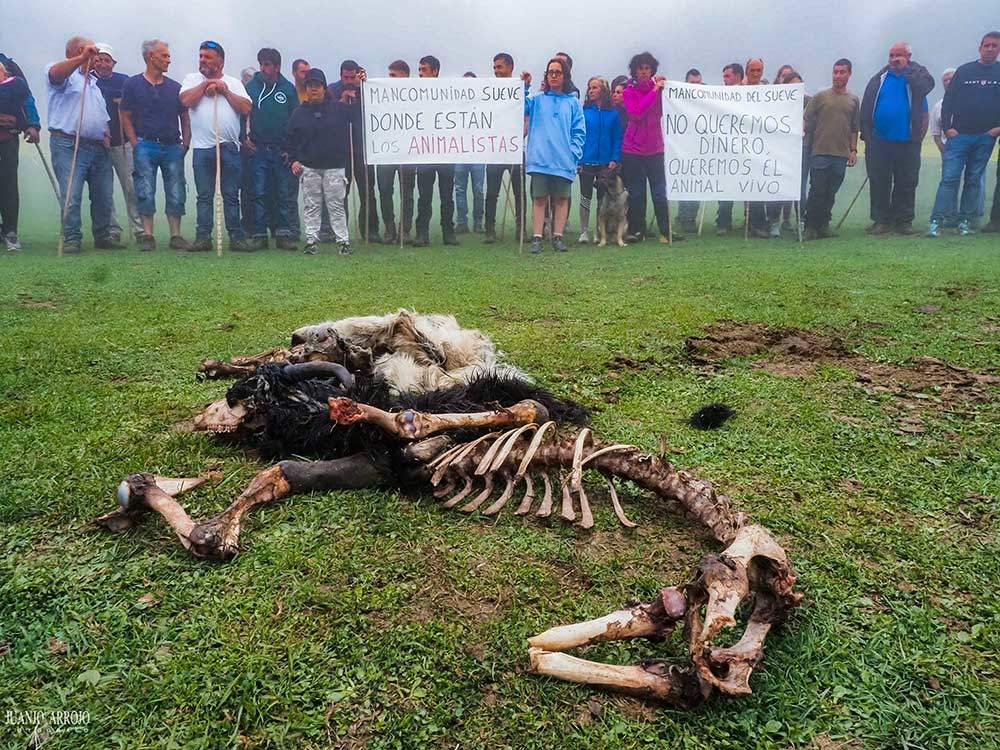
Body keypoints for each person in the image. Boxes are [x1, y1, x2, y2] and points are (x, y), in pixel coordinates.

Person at [46, 36, 117, 253]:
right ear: (78, 51)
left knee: (104, 195)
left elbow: (102, 117)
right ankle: (72, 238)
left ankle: (103, 236)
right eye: (92, 52)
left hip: (98, 147)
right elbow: (55, 75)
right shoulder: (62, 72)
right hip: (68, 144)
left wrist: (106, 134)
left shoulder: (93, 83)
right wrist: (81, 58)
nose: (96, 57)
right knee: (71, 194)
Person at [179, 41, 252, 251]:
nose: (202, 60)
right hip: (202, 148)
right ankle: (203, 238)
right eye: (201, 56)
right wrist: (205, 85)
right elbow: (185, 101)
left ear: (220, 61)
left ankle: (236, 238)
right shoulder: (192, 79)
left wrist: (225, 91)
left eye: (207, 57)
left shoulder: (234, 82)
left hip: (229, 147)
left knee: (230, 195)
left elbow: (246, 107)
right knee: (204, 196)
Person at [120, 38, 191, 251]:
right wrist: (135, 143)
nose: (169, 60)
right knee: (145, 188)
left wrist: (185, 144)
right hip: (145, 144)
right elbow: (125, 114)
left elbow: (185, 117)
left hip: (172, 146)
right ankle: (148, 236)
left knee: (176, 189)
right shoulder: (132, 84)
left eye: (168, 55)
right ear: (151, 57)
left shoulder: (175, 88)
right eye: (164, 55)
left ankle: (175, 236)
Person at [928, 32, 1000, 237]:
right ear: (980, 47)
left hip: (985, 137)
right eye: (986, 45)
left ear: (999, 49)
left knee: (974, 179)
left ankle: (965, 222)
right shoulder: (965, 71)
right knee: (949, 178)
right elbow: (948, 101)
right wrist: (948, 128)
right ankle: (937, 222)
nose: (990, 49)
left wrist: (996, 129)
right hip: (958, 136)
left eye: (994, 46)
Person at [860, 42, 934, 236]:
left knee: (906, 182)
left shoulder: (917, 79)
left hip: (907, 141)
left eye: (899, 55)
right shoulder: (880, 78)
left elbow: (926, 87)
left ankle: (903, 221)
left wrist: (908, 72)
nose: (894, 59)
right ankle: (880, 221)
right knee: (879, 182)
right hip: (879, 141)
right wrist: (867, 137)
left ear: (908, 56)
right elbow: (866, 108)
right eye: (891, 55)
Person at [285, 67, 354, 256]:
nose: (313, 89)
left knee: (336, 205)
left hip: (335, 167)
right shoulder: (298, 113)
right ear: (306, 89)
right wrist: (293, 160)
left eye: (317, 85)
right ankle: (311, 241)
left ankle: (343, 241)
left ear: (324, 88)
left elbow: (359, 113)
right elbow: (289, 140)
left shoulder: (339, 109)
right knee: (312, 205)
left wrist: (360, 87)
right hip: (309, 168)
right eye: (309, 86)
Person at [524, 57, 585, 254]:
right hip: (540, 160)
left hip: (563, 160)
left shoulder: (573, 103)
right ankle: (537, 237)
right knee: (539, 199)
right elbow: (519, 107)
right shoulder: (537, 99)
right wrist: (524, 87)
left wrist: (573, 153)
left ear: (565, 75)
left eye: (558, 72)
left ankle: (558, 237)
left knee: (561, 199)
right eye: (550, 72)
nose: (553, 75)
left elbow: (579, 131)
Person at [620, 51, 681, 244]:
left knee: (659, 192)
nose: (644, 72)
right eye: (641, 69)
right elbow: (636, 113)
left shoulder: (661, 90)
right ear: (635, 71)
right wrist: (654, 91)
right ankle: (638, 230)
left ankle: (666, 230)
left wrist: (665, 89)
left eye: (648, 68)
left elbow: (670, 109)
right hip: (633, 150)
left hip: (655, 148)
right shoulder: (629, 91)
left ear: (652, 70)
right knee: (637, 193)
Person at [244, 48, 299, 250]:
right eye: (261, 63)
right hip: (258, 148)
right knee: (258, 191)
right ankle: (259, 234)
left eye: (267, 64)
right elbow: (241, 114)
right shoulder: (251, 87)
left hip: (281, 150)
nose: (263, 68)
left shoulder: (288, 89)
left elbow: (295, 121)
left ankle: (283, 234)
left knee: (282, 192)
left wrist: (291, 150)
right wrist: (243, 138)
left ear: (276, 67)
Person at [92, 43, 143, 245]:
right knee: (105, 190)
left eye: (107, 60)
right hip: (98, 144)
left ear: (113, 63)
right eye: (99, 59)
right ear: (93, 61)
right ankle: (112, 229)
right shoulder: (88, 80)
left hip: (122, 141)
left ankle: (139, 229)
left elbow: (136, 108)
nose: (103, 64)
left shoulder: (124, 81)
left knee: (131, 186)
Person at [803, 59, 859, 239]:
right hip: (820, 151)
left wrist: (853, 150)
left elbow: (854, 128)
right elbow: (806, 118)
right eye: (835, 72)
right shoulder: (820, 96)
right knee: (817, 190)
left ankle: (823, 225)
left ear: (849, 74)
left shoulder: (853, 100)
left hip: (841, 154)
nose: (838, 75)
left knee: (831, 192)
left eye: (842, 72)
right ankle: (810, 226)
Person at [328, 60, 380, 243]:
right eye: (346, 77)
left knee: (367, 192)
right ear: (340, 75)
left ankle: (371, 230)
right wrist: (343, 100)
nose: (349, 80)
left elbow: (374, 110)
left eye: (352, 77)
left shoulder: (366, 88)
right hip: (341, 150)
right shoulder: (332, 90)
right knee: (341, 193)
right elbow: (330, 114)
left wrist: (360, 89)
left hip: (363, 149)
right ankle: (340, 232)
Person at [414, 55, 458, 246]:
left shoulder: (449, 93)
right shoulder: (412, 93)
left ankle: (448, 231)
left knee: (447, 196)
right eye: (420, 70)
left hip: (446, 152)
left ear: (435, 72)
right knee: (424, 196)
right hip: (424, 152)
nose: (420, 73)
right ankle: (421, 233)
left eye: (424, 70)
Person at [0, 52, 40, 252]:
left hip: (6, 138)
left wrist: (32, 125)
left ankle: (10, 232)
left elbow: (26, 99)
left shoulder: (10, 67)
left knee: (7, 184)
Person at [372, 59, 415, 244]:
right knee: (384, 191)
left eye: (393, 76)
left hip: (409, 152)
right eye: (388, 75)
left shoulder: (417, 94)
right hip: (385, 151)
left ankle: (404, 229)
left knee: (407, 193)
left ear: (405, 76)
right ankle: (389, 228)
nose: (390, 79)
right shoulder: (380, 94)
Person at [483, 52, 524, 244]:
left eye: (499, 67)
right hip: (494, 149)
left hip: (514, 148)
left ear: (510, 67)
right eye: (494, 67)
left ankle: (520, 229)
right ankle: (489, 229)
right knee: (492, 192)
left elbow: (527, 116)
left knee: (519, 192)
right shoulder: (488, 90)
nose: (496, 71)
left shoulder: (520, 89)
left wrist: (518, 135)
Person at [577, 76, 622, 243]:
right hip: (586, 161)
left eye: (595, 87)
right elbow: (579, 135)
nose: (591, 90)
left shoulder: (613, 114)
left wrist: (614, 158)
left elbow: (617, 137)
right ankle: (583, 232)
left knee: (602, 199)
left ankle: (599, 231)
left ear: (603, 90)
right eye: (590, 88)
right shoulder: (584, 112)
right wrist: (578, 159)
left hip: (605, 163)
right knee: (585, 196)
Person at [453, 71, 486, 234]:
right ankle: (461, 222)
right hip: (459, 152)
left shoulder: (482, 105)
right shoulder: (455, 106)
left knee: (478, 189)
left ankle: (478, 222)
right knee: (459, 188)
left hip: (478, 153)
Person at [715, 62, 743, 235]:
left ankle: (753, 222)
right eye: (724, 76)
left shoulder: (752, 93)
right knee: (726, 186)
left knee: (750, 185)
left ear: (738, 76)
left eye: (728, 76)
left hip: (747, 147)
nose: (724, 80)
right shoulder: (719, 95)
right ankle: (723, 222)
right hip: (725, 147)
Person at [676, 68, 702, 233]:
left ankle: (690, 216)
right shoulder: (678, 98)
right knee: (684, 183)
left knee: (697, 185)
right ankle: (685, 216)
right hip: (682, 147)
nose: (696, 86)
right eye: (692, 83)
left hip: (700, 148)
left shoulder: (706, 98)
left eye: (698, 83)